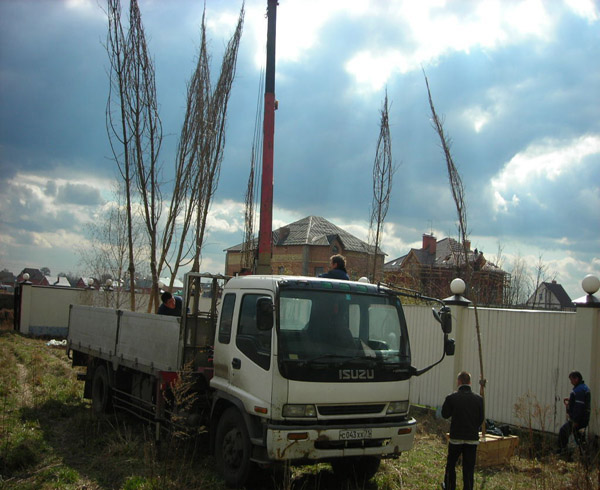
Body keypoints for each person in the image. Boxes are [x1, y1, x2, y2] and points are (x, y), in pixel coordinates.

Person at [442, 371, 484, 490]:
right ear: (470, 382)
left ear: (459, 382)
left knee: (451, 464)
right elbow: (481, 419)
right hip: (471, 438)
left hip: (456, 437)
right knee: (469, 467)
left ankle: (450, 486)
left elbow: (445, 414)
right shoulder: (479, 399)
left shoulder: (451, 398)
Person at [558, 370, 591, 453]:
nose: (571, 382)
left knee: (563, 431)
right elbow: (582, 403)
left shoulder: (578, 390)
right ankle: (585, 455)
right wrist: (571, 400)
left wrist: (575, 421)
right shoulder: (584, 388)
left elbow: (579, 407)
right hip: (584, 419)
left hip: (578, 420)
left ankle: (562, 451)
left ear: (576, 379)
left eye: (571, 380)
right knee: (579, 438)